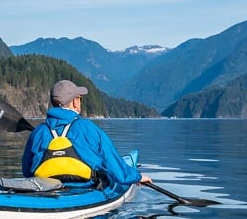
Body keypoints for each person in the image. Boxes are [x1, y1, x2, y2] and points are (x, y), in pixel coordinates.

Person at [22, 80, 152, 187]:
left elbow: (27, 171)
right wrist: (138, 177)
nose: (80, 101)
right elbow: (115, 167)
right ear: (74, 102)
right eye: (79, 98)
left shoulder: (38, 132)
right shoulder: (89, 129)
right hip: (85, 189)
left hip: (45, 190)